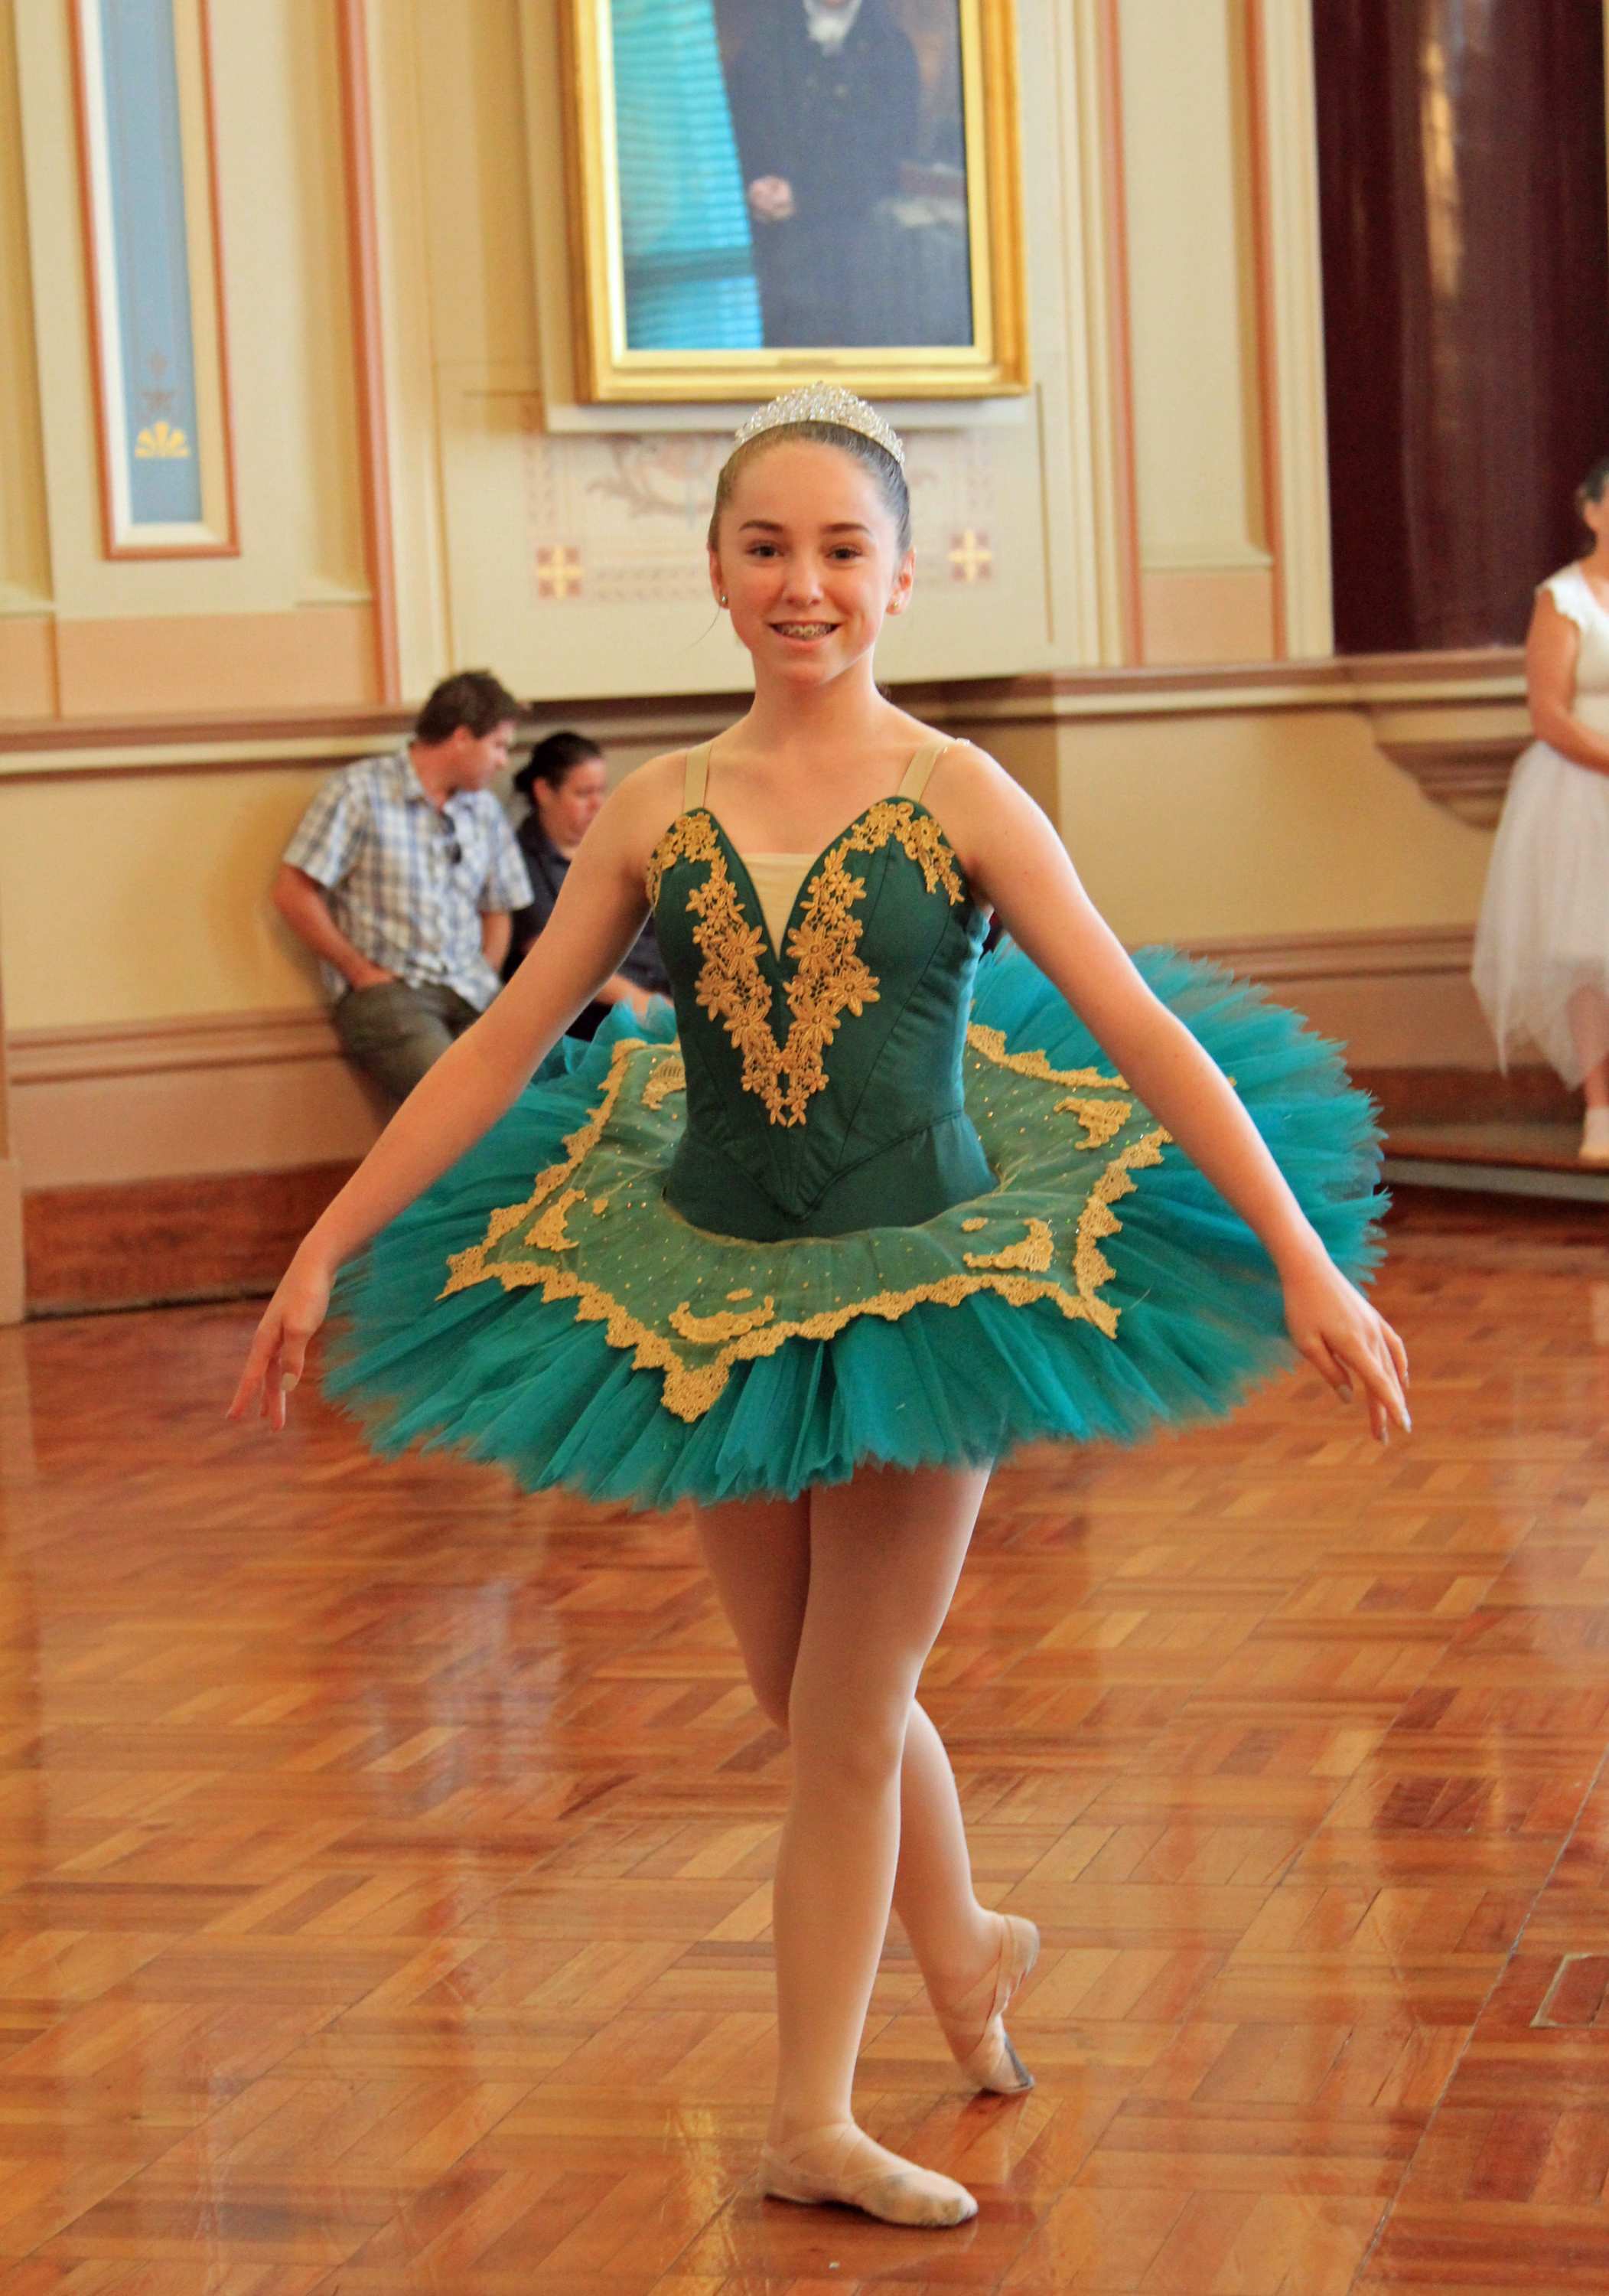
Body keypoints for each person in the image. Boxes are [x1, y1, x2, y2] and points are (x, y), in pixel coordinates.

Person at [231, 386, 1408, 2232]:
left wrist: (1298, 1251)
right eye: (766, 548)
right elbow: (492, 1058)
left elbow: (1140, 1027)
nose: (804, 583)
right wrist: (326, 1243)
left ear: (900, 577)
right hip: (702, 1280)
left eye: (840, 549)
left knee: (847, 1715)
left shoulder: (959, 790)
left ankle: (807, 2115)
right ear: (712, 573)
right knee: (799, 1692)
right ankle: (964, 1936)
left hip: (928, 1278)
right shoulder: (661, 807)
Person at [274, 673, 534, 1104]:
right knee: (456, 1106)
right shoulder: (359, 792)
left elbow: (498, 907)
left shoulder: (484, 809)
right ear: (462, 737)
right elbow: (292, 891)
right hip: (394, 994)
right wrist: (359, 971)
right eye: (499, 746)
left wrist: (486, 973)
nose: (504, 762)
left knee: (533, 1093)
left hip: (474, 990)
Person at [1474, 455, 1609, 1162]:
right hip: (1580, 789)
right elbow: (1548, 713)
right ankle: (1600, 1110)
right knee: (1588, 951)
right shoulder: (1563, 599)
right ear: (1590, 510)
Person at [721, 0, 922, 347]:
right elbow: (737, 128)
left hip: (855, 252)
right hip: (766, 251)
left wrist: (805, 195)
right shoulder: (766, 40)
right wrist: (753, 186)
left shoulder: (891, 49)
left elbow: (889, 159)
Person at [504, 731, 670, 1035]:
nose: (597, 804)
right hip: (595, 1008)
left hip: (663, 987)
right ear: (543, 791)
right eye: (583, 793)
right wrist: (642, 1001)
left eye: (601, 791)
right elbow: (552, 960)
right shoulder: (520, 857)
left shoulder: (617, 841)